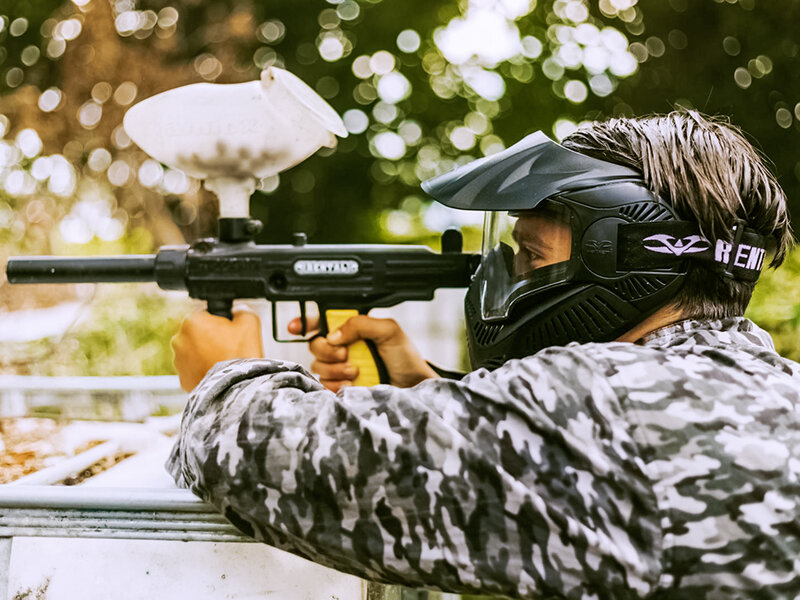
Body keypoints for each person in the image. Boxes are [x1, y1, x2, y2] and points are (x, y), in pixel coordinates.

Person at [168, 111, 800, 599]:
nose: (509, 275)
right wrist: (428, 386)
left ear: (621, 253)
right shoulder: (769, 386)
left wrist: (222, 377)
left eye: (531, 256)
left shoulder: (605, 407)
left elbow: (267, 457)